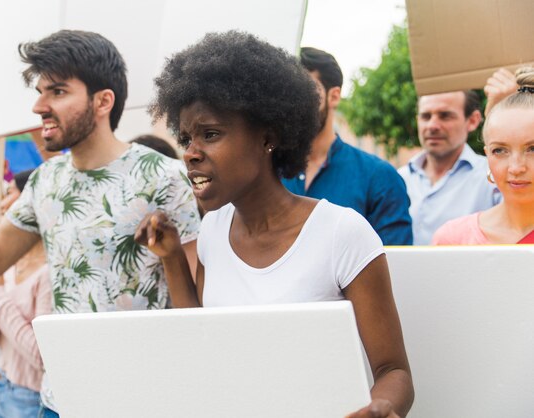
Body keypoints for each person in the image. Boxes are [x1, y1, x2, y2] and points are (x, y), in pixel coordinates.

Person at [0, 30, 201, 417]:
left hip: (139, 400)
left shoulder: (163, 176)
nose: (39, 106)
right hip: (58, 400)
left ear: (103, 101)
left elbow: (195, 309)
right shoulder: (47, 179)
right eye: (40, 91)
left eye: (58, 92)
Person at [135, 31, 414, 418]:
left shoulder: (341, 232)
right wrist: (171, 257)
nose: (191, 153)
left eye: (210, 134)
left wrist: (380, 407)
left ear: (268, 137)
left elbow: (393, 370)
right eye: (185, 138)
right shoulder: (214, 229)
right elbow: (202, 335)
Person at [282, 47, 413, 245]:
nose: (296, 102)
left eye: (307, 90)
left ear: (333, 96)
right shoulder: (265, 172)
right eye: (289, 92)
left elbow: (395, 266)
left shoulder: (379, 178)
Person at [0, 169, 50, 418]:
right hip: (0, 381)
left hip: (31, 396)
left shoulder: (50, 271)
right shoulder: (11, 261)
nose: (3, 204)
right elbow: (7, 333)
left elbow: (42, 356)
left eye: (12, 195)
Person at [432, 67, 534, 245]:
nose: (516, 167)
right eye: (500, 150)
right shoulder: (453, 240)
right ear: (487, 155)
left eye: (532, 149)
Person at [398, 90, 501, 244]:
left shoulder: (495, 177)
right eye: (425, 116)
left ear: (473, 120)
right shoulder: (398, 179)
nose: (432, 125)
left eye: (445, 115)